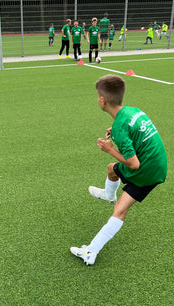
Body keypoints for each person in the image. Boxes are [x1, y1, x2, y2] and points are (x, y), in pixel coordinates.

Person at [70, 74, 167, 265]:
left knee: (120, 211)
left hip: (145, 170)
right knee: (112, 170)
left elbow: (133, 164)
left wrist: (110, 149)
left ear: (102, 100)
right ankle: (109, 195)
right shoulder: (133, 111)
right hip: (159, 164)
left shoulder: (120, 129)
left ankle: (90, 252)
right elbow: (133, 129)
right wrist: (115, 130)